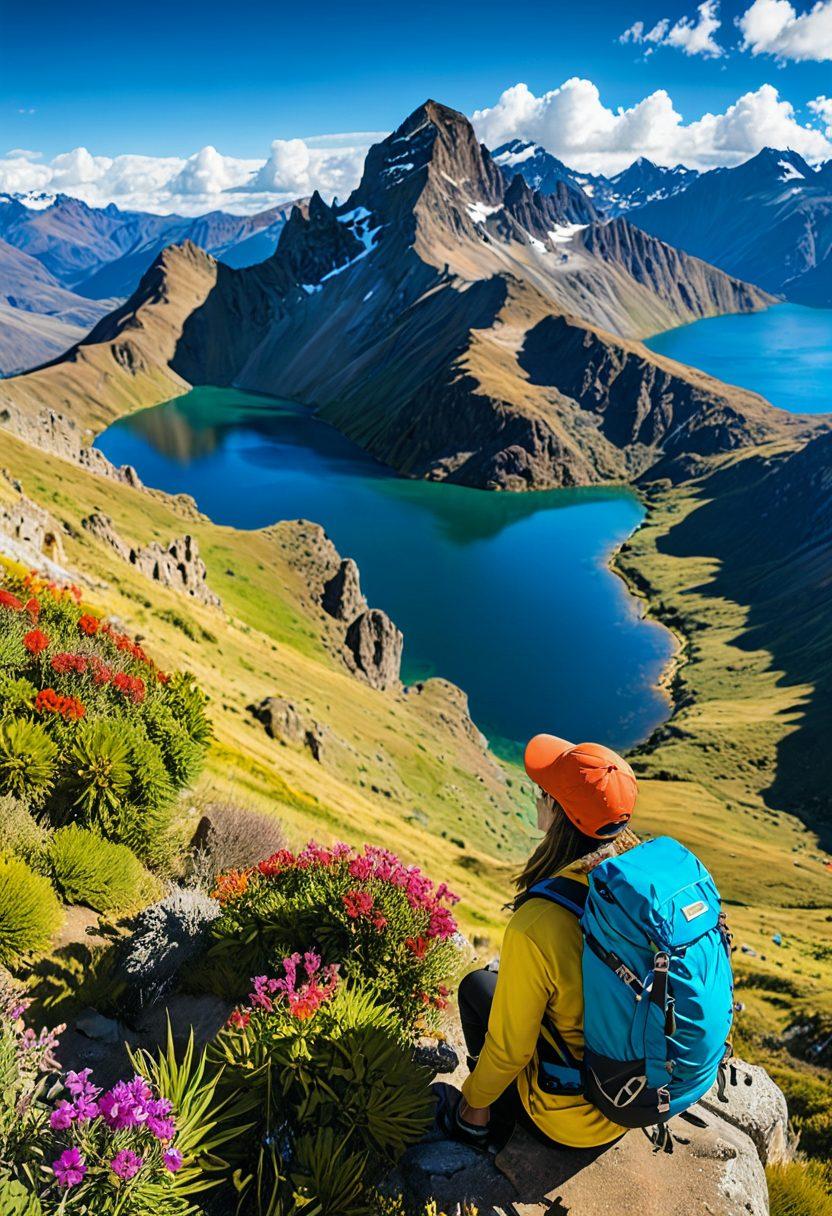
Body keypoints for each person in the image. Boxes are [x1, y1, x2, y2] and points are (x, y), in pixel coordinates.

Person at [451, 732, 642, 1151]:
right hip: (634, 1100)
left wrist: (470, 1101)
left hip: (568, 1120)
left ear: (557, 810)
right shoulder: (643, 888)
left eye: (543, 791)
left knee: (478, 988)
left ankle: (485, 1120)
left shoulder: (538, 923)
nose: (537, 797)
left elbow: (510, 1049)